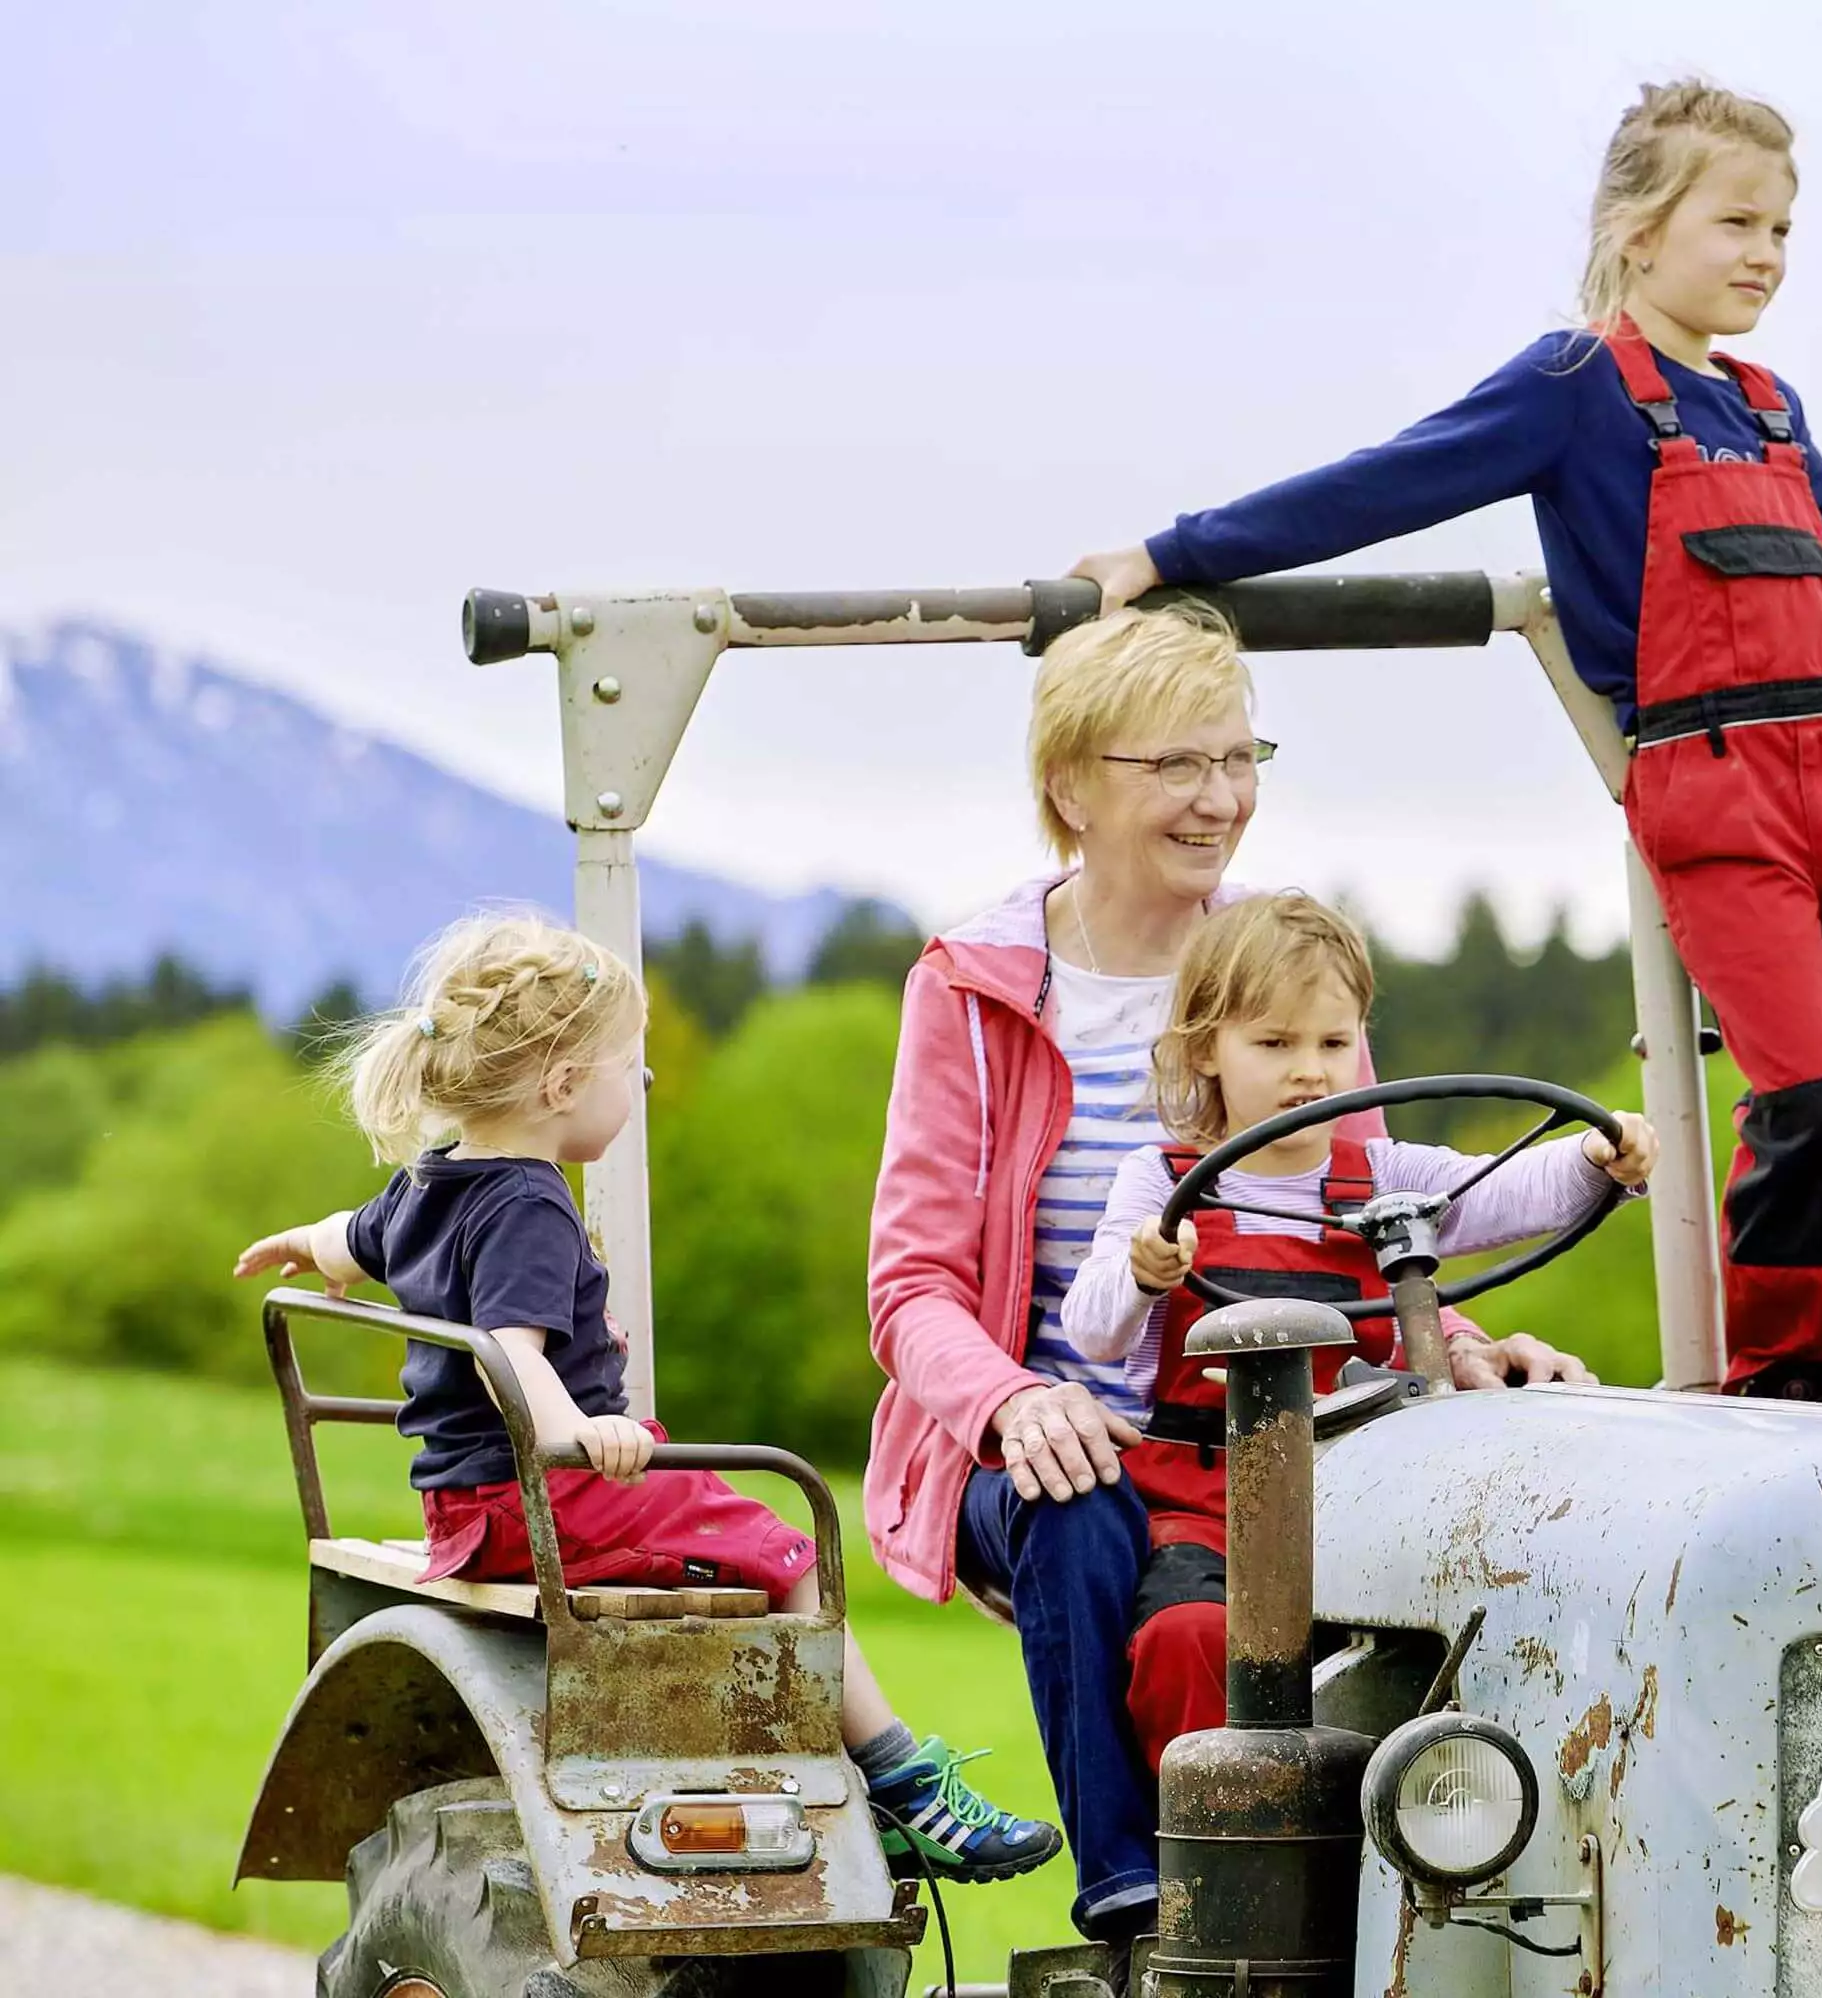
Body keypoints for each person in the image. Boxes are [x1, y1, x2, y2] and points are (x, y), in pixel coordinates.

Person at [1065, 79, 1822, 1410]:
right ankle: (1777, 1377)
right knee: (1814, 1100)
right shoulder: (1578, 388)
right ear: (1639, 231)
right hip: (1722, 794)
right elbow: (1386, 482)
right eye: (1737, 222)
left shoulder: (1774, 408)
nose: (1767, 253)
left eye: (1784, 229)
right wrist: (1174, 554)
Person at [862, 604, 1593, 1946]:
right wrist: (1016, 1401)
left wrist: (1470, 1343)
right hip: (1041, 1437)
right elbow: (910, 1289)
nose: (1222, 800)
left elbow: (1364, 1224)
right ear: (1071, 788)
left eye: (1239, 757)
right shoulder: (974, 989)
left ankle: (1456, 1883)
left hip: (1268, 1428)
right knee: (1072, 1501)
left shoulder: (1281, 968)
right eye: (1177, 767)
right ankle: (1142, 1894)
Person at [233, 912, 1057, 1883]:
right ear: (561, 1084)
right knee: (789, 1549)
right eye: (632, 1064)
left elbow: (351, 1239)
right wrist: (579, 1432)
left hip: (462, 1500)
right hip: (547, 1493)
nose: (645, 1084)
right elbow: (513, 1349)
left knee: (732, 1527)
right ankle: (903, 1786)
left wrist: (302, 1245)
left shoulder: (431, 1178)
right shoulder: (529, 1202)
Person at [1063, 891, 1652, 1565]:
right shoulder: (1161, 1185)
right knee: (1186, 1634)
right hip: (1201, 1515)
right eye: (1275, 1043)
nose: (1311, 1069)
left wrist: (1594, 1156)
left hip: (1360, 1509)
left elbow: (1510, 1189)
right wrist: (1141, 1275)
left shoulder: (1387, 1179)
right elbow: (1091, 1330)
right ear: (1205, 1050)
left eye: (1333, 1042)